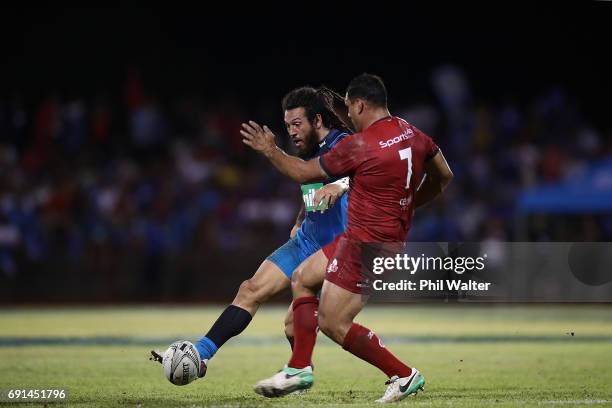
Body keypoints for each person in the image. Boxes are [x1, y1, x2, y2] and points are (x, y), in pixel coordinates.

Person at [241, 73, 453, 403]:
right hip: (373, 239)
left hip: (367, 246)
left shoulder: (360, 146)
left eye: (350, 108)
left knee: (332, 323)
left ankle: (402, 373)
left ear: (359, 104)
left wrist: (270, 150)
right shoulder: (412, 133)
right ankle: (299, 368)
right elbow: (444, 175)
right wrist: (410, 203)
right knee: (302, 276)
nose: (348, 116)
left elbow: (302, 172)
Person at [151, 86, 353, 380]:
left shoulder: (343, 142)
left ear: (318, 121)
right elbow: (309, 181)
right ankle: (199, 354)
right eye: (287, 126)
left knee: (292, 326)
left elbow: (359, 175)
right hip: (306, 240)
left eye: (297, 124)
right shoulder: (308, 151)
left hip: (337, 248)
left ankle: (302, 369)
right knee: (250, 290)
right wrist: (301, 217)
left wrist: (273, 151)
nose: (292, 132)